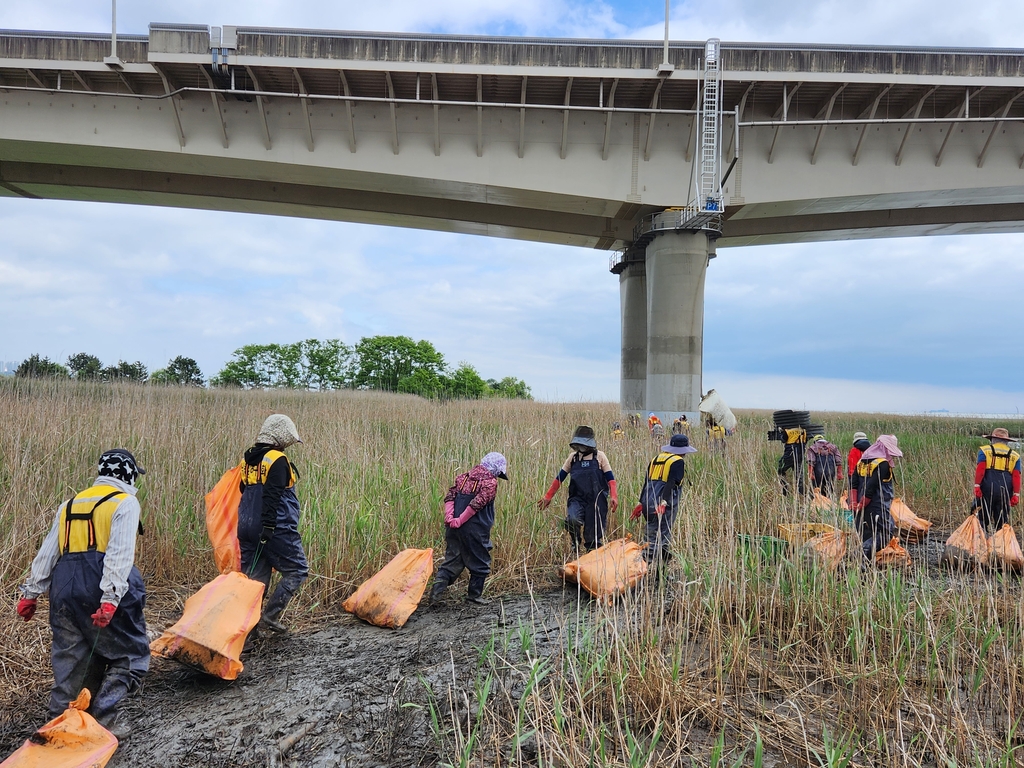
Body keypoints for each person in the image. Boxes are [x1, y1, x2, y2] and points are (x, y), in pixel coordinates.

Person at [17, 449, 149, 737]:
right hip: (99, 584)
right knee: (130, 654)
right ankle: (105, 717)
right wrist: (111, 599)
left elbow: (48, 552)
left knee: (71, 659)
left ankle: (58, 725)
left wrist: (31, 592)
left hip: (64, 588)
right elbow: (119, 554)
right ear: (127, 473)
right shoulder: (125, 503)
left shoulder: (69, 504)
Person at [238, 414, 308, 633]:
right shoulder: (277, 459)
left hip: (246, 526)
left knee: (255, 581)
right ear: (280, 438)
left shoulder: (247, 460)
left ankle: (247, 634)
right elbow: (272, 496)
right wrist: (268, 527)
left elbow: (243, 491)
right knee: (297, 569)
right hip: (274, 527)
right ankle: (270, 616)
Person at [429, 452, 509, 606]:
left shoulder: (462, 477)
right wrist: (460, 520)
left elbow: (450, 497)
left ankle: (435, 596)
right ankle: (474, 596)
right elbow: (476, 504)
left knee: (452, 561)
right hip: (475, 530)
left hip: (453, 528)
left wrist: (450, 517)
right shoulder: (490, 482)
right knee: (480, 561)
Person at [538, 426, 618, 552]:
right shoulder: (573, 458)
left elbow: (611, 479)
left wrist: (614, 496)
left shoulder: (600, 456)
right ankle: (575, 540)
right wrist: (548, 496)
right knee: (572, 519)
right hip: (577, 498)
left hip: (596, 500)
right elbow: (559, 478)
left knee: (593, 536)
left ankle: (592, 556)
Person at [631, 434, 697, 565]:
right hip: (662, 506)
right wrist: (664, 502)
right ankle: (647, 571)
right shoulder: (678, 462)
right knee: (662, 536)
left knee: (650, 535)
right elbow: (671, 482)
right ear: (683, 450)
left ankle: (656, 569)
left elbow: (647, 482)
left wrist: (640, 503)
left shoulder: (655, 459)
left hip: (647, 502)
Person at [851, 435, 903, 560]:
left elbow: (853, 483)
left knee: (866, 533)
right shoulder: (882, 463)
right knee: (885, 533)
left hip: (859, 505)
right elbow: (871, 486)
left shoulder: (861, 462)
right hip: (877, 505)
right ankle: (860, 555)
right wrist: (863, 503)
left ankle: (864, 565)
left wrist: (854, 503)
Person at [974, 427, 1021, 532]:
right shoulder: (1015, 456)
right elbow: (1016, 476)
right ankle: (1001, 542)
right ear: (1007, 441)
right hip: (1005, 490)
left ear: (992, 439)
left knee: (982, 517)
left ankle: (981, 540)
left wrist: (977, 486)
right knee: (1002, 519)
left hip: (987, 488)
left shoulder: (984, 450)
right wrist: (1016, 494)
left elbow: (980, 469)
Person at [777, 427, 808, 496]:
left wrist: (781, 432)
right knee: (799, 475)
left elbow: (783, 440)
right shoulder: (803, 430)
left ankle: (785, 491)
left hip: (789, 456)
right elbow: (805, 442)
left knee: (780, 471)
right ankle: (801, 494)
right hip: (799, 457)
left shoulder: (788, 431)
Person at [845, 432, 871, 509]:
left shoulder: (854, 450)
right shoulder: (871, 449)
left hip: (855, 476)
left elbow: (852, 465)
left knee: (855, 495)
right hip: (869, 475)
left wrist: (852, 477)